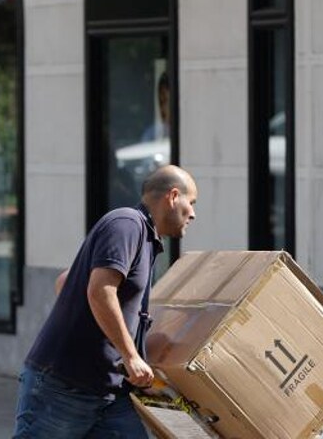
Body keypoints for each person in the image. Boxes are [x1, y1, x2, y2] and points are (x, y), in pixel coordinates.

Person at [13, 164, 198, 438]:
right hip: (63, 388)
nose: (193, 213)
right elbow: (100, 290)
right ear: (172, 197)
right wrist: (131, 355)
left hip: (110, 392)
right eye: (191, 203)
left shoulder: (147, 239)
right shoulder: (127, 224)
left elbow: (66, 281)